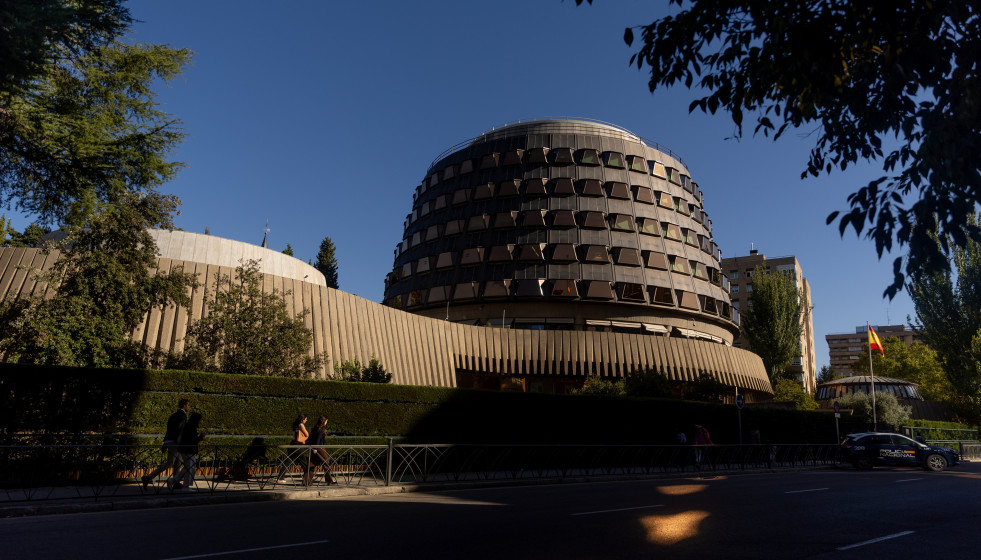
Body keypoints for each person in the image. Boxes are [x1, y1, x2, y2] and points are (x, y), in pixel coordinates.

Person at [142, 399, 190, 490]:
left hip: (170, 441)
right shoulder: (182, 416)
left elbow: (169, 430)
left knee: (178, 463)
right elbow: (180, 431)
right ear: (184, 405)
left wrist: (165, 443)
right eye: (188, 405)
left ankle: (175, 482)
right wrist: (180, 444)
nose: (189, 407)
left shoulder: (173, 415)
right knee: (169, 463)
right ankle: (148, 478)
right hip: (176, 443)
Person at [173, 412, 205, 491]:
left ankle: (173, 480)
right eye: (199, 420)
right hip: (188, 449)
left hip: (186, 449)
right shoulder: (191, 427)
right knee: (190, 467)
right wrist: (201, 437)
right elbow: (193, 440)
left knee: (189, 467)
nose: (199, 422)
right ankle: (185, 486)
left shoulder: (189, 426)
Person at [279, 414, 309, 482]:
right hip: (298, 446)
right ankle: (308, 478)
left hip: (292, 445)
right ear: (303, 419)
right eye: (306, 419)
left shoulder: (296, 425)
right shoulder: (301, 425)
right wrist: (306, 438)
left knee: (288, 462)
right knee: (304, 462)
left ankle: (280, 478)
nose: (306, 420)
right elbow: (307, 434)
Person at [307, 415, 336, 485]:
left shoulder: (315, 428)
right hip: (320, 448)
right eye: (326, 421)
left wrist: (313, 447)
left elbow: (312, 438)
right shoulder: (321, 429)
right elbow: (318, 439)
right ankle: (329, 480)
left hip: (313, 447)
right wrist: (316, 448)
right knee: (326, 462)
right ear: (324, 421)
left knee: (311, 464)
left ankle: (307, 481)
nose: (326, 422)